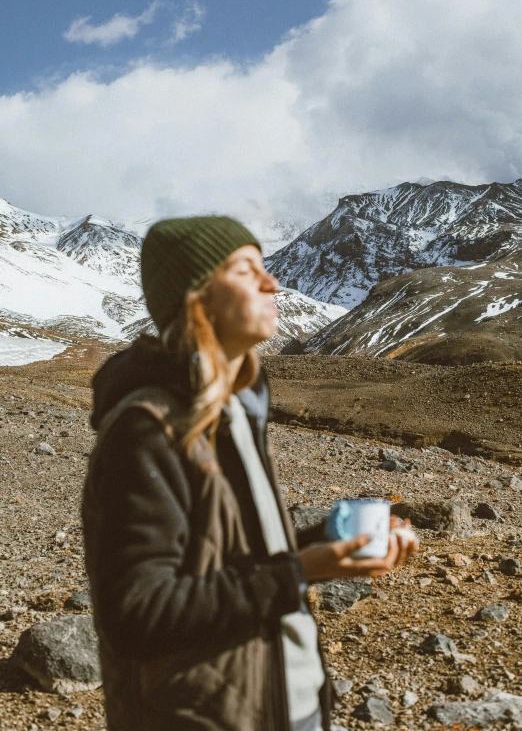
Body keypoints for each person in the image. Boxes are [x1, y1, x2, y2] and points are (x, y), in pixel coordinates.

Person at [82, 216, 415, 731]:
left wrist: (328, 540)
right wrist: (302, 570)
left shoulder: (235, 410)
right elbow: (137, 613)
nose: (273, 283)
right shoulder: (149, 429)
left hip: (285, 699)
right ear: (197, 299)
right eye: (246, 270)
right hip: (212, 715)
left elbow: (228, 557)